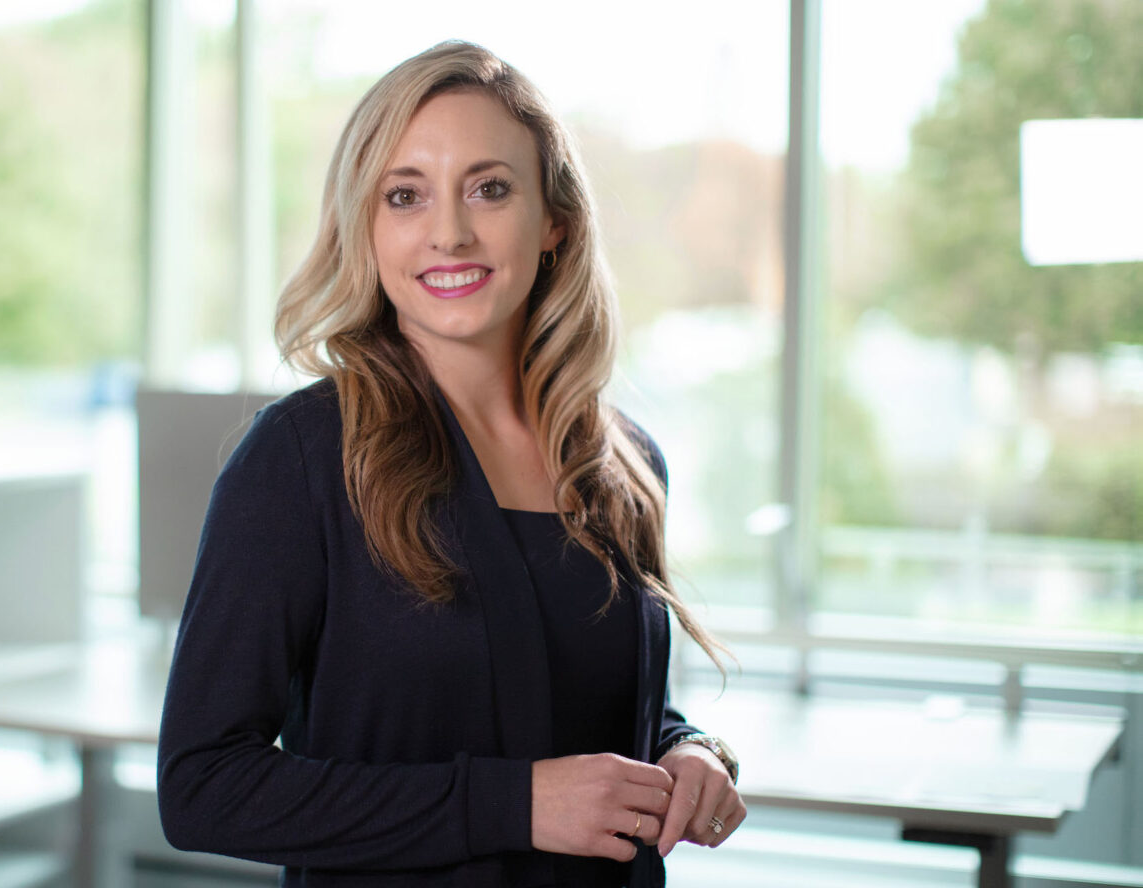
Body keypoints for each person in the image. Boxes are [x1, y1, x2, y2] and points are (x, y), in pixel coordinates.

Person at [157, 40, 745, 888]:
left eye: (489, 188)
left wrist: (685, 749)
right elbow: (201, 787)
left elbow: (574, 702)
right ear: (367, 226)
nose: (449, 232)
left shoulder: (620, 461)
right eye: (406, 195)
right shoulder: (304, 456)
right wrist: (513, 806)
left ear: (555, 222)